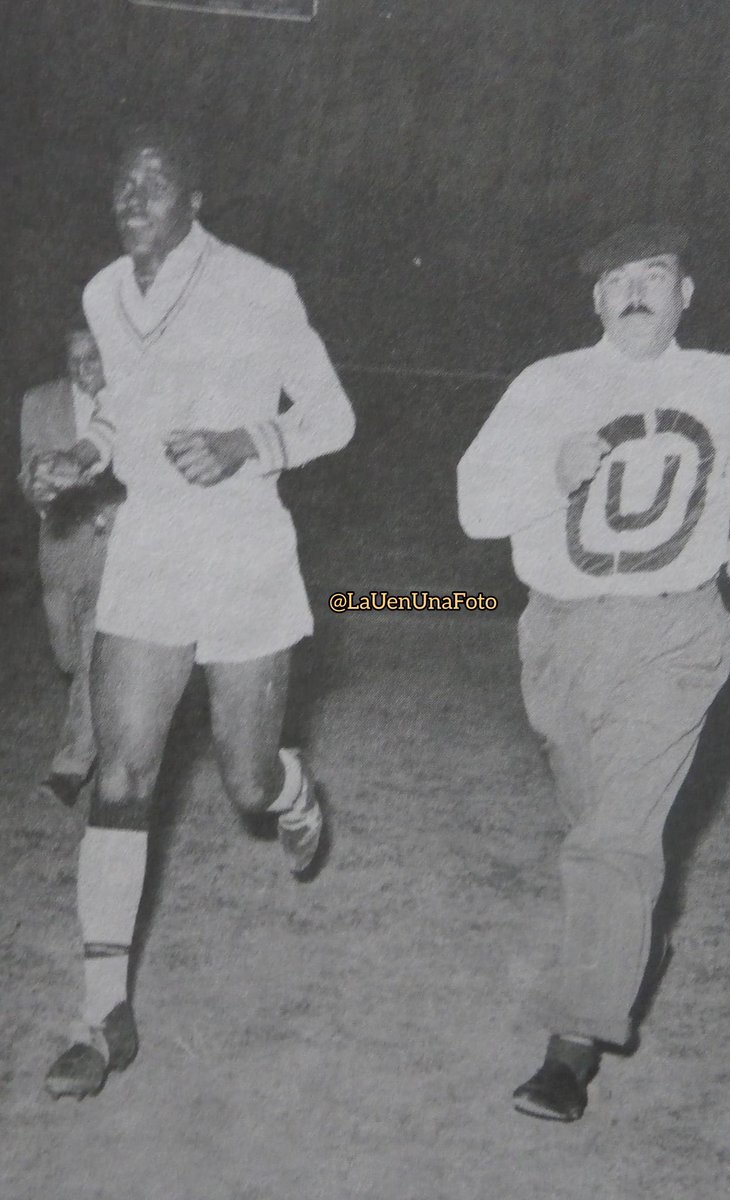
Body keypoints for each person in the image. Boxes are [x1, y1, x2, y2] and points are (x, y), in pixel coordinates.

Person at [39, 124, 355, 1100]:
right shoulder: (102, 291)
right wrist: (81, 459)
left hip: (244, 556)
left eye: (156, 180)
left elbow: (331, 414)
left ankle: (297, 794)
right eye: (122, 180)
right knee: (122, 778)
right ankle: (102, 1017)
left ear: (196, 195)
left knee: (245, 784)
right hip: (149, 556)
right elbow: (113, 417)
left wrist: (244, 441)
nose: (134, 195)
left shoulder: (257, 286)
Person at [458, 224, 730, 1121]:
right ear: (595, 299)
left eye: (654, 275)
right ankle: (632, 947)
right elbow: (476, 505)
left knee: (613, 840)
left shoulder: (729, 378)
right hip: (560, 634)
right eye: (617, 279)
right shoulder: (546, 385)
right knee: (596, 820)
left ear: (686, 292)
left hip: (674, 632)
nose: (635, 292)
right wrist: (549, 473)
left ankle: (573, 1045)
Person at [19, 327, 124, 806]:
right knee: (67, 653)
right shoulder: (38, 403)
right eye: (75, 358)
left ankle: (70, 767)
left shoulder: (130, 397)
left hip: (112, 544)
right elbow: (31, 471)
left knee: (89, 657)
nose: (86, 367)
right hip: (59, 545)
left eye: (94, 356)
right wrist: (38, 488)